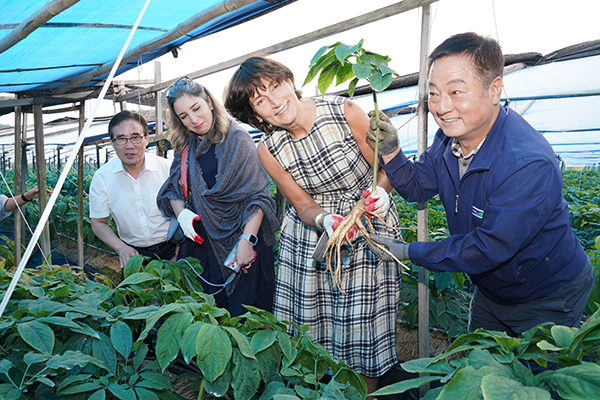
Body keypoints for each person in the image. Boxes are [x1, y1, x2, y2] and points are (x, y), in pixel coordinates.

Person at [367, 32, 594, 337]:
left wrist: (410, 251)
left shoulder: (525, 162)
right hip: (491, 288)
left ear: (495, 89)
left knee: (532, 380)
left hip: (546, 293)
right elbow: (417, 187)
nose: (441, 107)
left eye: (456, 92)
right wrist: (392, 151)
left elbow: (490, 247)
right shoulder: (449, 139)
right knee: (480, 365)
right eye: (433, 94)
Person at [224, 56, 403, 394]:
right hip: (312, 236)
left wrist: (379, 192)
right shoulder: (269, 148)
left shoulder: (344, 112)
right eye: (261, 101)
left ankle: (361, 392)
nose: (275, 102)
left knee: (361, 327)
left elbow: (385, 168)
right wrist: (324, 220)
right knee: (310, 326)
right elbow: (302, 204)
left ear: (289, 81)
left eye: (275, 87)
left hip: (365, 224)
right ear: (256, 115)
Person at [156, 77, 279, 317]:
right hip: (202, 246)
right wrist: (182, 214)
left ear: (209, 103)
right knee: (206, 318)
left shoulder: (236, 140)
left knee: (244, 318)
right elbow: (173, 189)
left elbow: (258, 196)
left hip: (241, 242)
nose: (193, 120)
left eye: (196, 108)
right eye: (183, 116)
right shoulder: (185, 147)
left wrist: (246, 241)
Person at [90, 110, 175, 270]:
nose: (129, 146)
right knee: (132, 295)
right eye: (121, 139)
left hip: (173, 250)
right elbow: (98, 223)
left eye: (135, 137)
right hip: (133, 254)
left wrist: (179, 250)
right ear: (112, 142)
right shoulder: (102, 177)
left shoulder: (167, 169)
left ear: (146, 139)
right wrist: (120, 247)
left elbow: (187, 210)